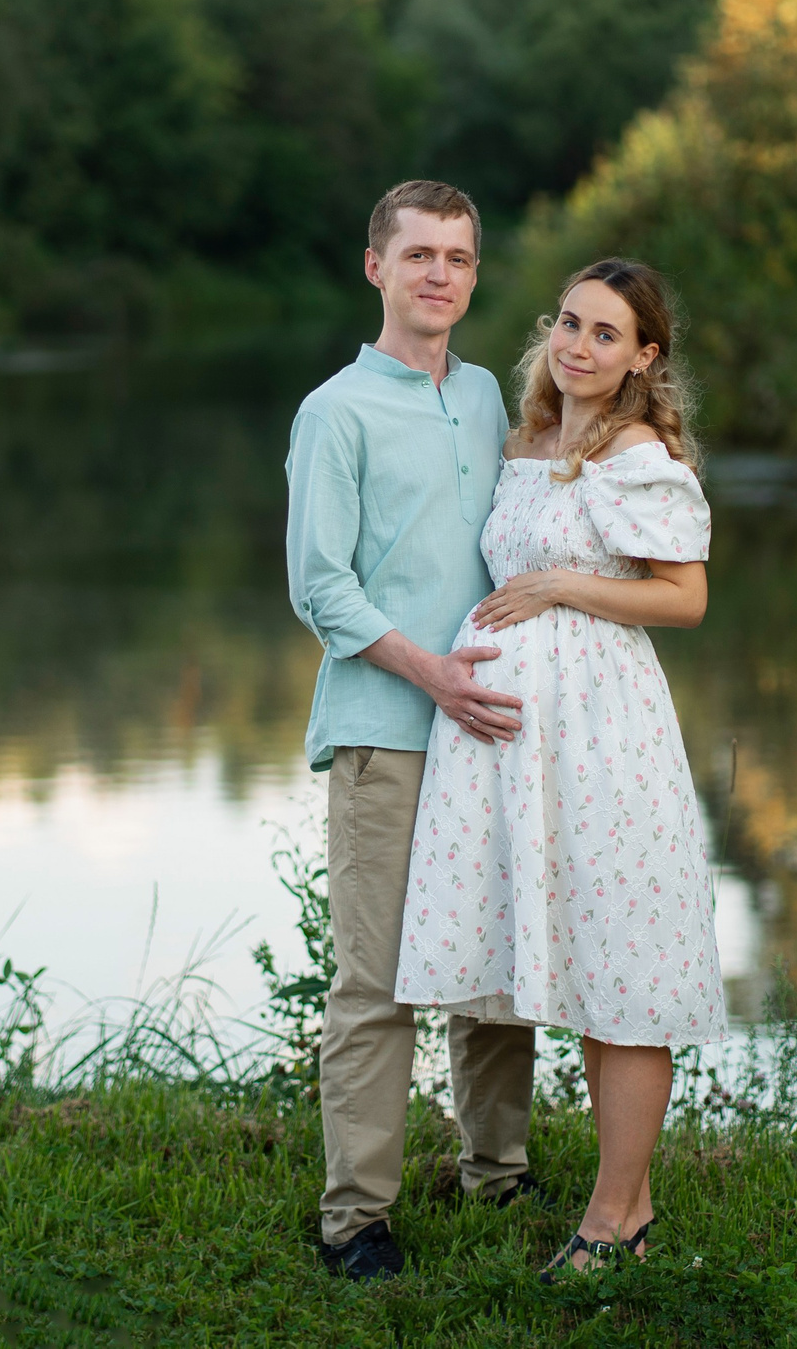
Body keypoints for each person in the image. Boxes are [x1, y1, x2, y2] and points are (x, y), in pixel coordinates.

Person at [393, 257, 726, 1277]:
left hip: (605, 739)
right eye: (569, 325)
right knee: (586, 966)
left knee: (624, 968)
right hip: (512, 749)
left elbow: (684, 598)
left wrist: (562, 588)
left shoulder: (636, 455)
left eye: (605, 334)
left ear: (643, 358)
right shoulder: (528, 441)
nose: (578, 347)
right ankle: (624, 1203)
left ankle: (612, 1221)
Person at [284, 180, 543, 1282]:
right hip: (389, 726)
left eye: (461, 258)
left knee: (494, 967)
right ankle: (357, 1220)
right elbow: (318, 587)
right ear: (375, 267)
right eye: (421, 254)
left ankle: (498, 1172)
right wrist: (426, 671)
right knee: (377, 983)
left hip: (487, 725)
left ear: (475, 276)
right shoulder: (333, 410)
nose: (441, 273)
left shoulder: (489, 394)